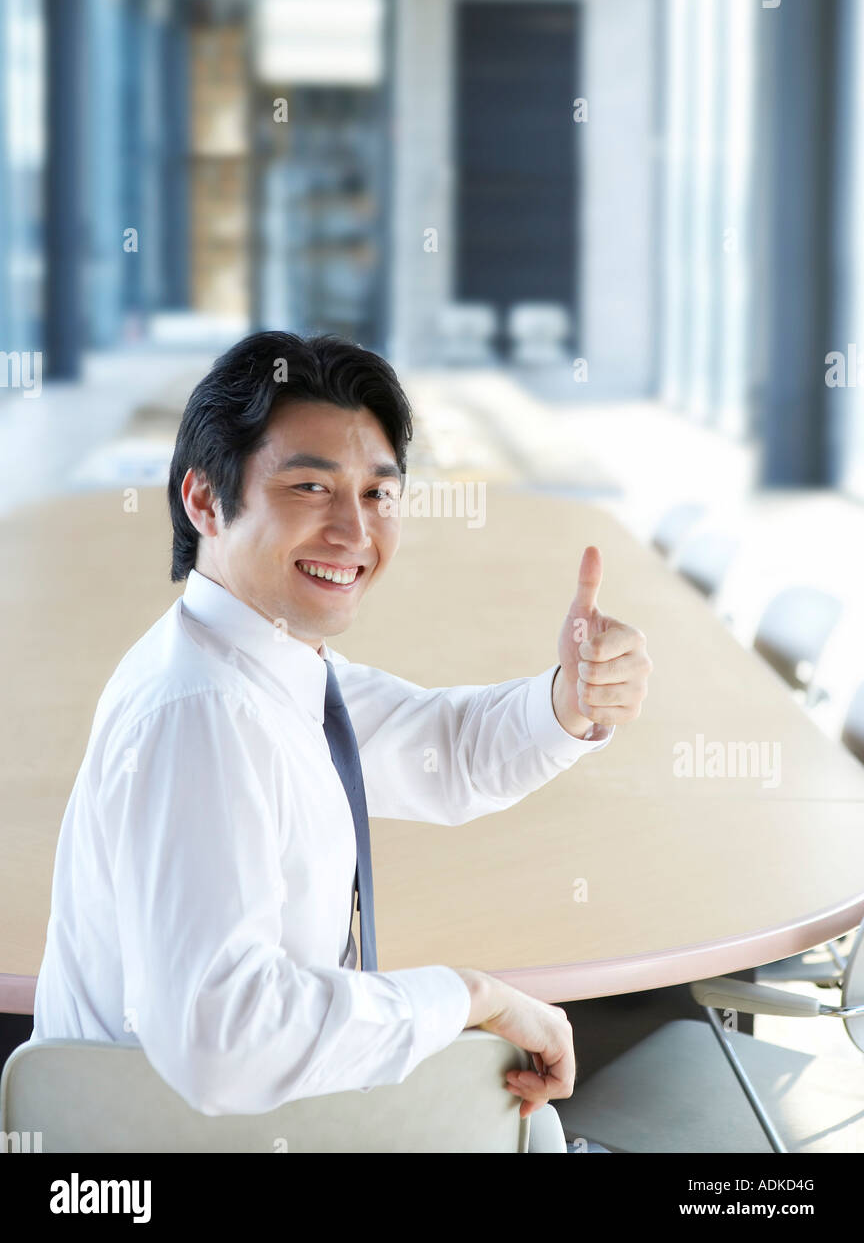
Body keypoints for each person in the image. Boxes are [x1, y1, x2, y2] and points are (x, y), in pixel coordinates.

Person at [31, 331, 651, 1147]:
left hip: (233, 1122)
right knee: (535, 1128)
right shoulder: (201, 712)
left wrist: (567, 703)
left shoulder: (264, 663)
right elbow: (225, 1041)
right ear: (206, 502)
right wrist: (472, 998)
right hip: (175, 1140)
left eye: (377, 493)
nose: (355, 532)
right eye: (312, 488)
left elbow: (445, 748)